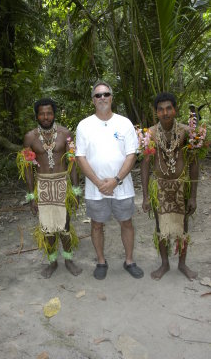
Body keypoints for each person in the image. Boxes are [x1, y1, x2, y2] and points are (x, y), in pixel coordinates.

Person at [75, 81, 144, 280]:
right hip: (95, 188)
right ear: (93, 100)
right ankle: (100, 260)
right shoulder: (84, 125)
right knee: (96, 224)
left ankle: (129, 260)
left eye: (106, 94)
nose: (102, 98)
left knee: (127, 223)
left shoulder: (124, 123)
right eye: (98, 95)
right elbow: (81, 157)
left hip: (122, 186)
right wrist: (99, 183)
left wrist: (115, 180)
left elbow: (132, 154)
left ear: (112, 97)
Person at [141, 92, 199, 281]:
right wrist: (145, 196)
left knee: (184, 225)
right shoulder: (150, 133)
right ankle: (165, 263)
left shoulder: (185, 132)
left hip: (182, 186)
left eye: (168, 108)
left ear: (175, 110)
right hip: (160, 187)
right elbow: (145, 164)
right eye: (161, 109)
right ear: (156, 112)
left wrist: (193, 196)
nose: (165, 113)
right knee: (160, 225)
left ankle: (182, 264)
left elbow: (194, 163)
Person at [23, 98, 82, 278]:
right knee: (47, 228)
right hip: (43, 187)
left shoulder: (66, 134)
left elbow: (72, 163)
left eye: (49, 113)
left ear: (54, 114)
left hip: (62, 185)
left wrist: (76, 191)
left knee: (65, 226)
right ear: (37, 116)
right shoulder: (30, 137)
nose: (46, 117)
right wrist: (31, 196)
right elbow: (27, 168)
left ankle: (69, 259)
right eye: (42, 113)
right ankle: (52, 261)